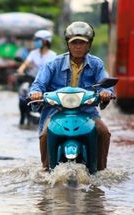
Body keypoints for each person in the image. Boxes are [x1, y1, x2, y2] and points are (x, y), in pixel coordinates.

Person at [29, 21, 114, 171]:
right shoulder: (53, 63)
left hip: (86, 112)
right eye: (74, 43)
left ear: (89, 45)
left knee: (104, 132)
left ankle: (100, 170)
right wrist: (35, 94)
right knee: (44, 135)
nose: (78, 46)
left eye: (82, 43)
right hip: (56, 111)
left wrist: (106, 93)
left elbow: (105, 83)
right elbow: (38, 84)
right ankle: (45, 170)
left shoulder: (97, 64)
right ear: (68, 44)